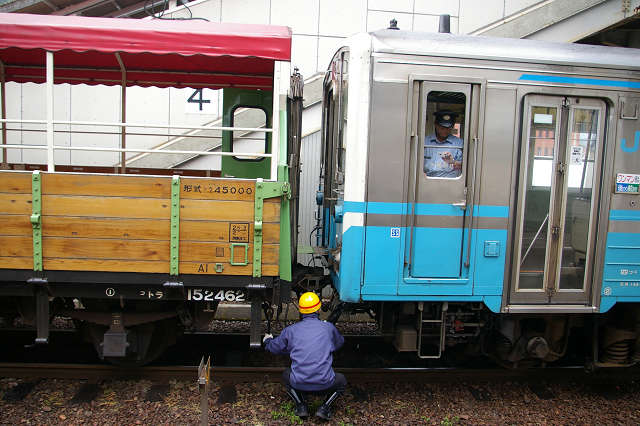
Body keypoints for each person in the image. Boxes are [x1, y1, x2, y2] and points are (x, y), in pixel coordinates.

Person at [263, 292, 347, 420]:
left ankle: (301, 406)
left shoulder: (291, 330)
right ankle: (324, 409)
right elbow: (339, 343)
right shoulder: (328, 328)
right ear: (318, 309)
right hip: (325, 384)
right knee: (341, 380)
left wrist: (267, 341)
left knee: (286, 374)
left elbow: (274, 348)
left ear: (301, 311)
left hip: (299, 384)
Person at [424, 110, 464, 178]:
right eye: (442, 127)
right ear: (436, 125)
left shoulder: (459, 143)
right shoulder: (425, 142)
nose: (445, 131)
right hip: (427, 181)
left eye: (448, 128)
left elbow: (466, 167)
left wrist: (452, 162)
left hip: (451, 183)